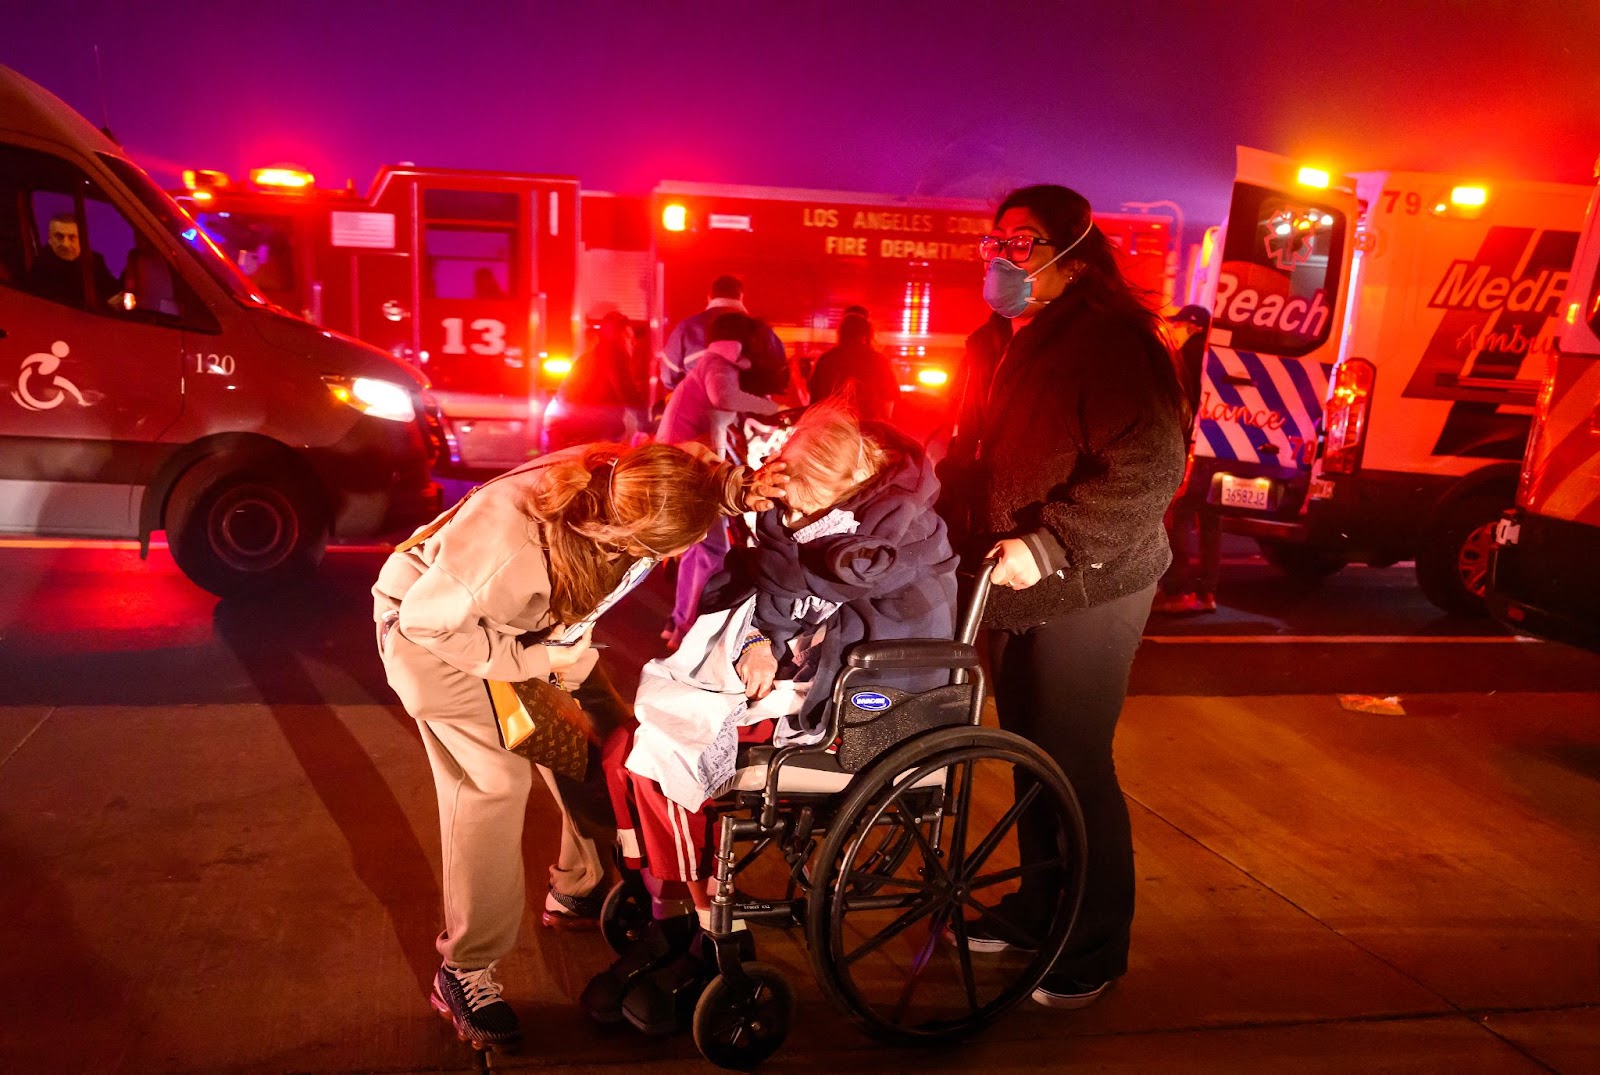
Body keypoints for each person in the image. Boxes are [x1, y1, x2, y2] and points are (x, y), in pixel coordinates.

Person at [372, 442, 784, 1053]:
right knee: (495, 784)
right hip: (439, 639)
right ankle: (463, 969)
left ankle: (580, 885)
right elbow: (428, 624)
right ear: (632, 535)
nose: (675, 559)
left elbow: (693, 465)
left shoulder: (633, 479)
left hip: (532, 630)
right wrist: (536, 662)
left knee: (615, 747)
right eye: (668, 550)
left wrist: (733, 490)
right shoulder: (512, 543)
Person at [582, 401, 958, 1034]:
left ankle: (710, 936)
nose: (793, 512)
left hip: (871, 703)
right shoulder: (817, 522)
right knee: (625, 746)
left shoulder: (895, 534)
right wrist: (757, 635)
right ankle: (669, 917)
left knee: (668, 761)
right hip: (807, 678)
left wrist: (772, 622)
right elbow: (766, 582)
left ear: (847, 487)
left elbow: (808, 581)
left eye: (804, 499)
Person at [936, 184, 1189, 1010]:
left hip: (1091, 581)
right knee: (1030, 754)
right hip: (1010, 581)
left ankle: (1093, 942)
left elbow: (1150, 468)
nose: (1003, 257)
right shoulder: (997, 340)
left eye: (1023, 241)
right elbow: (972, 451)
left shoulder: (1112, 343)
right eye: (997, 240)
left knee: (1075, 759)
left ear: (1073, 253)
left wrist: (1052, 543)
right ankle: (1040, 907)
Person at [656, 311, 785, 650]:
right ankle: (692, 632)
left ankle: (680, 627)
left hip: (682, 464)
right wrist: (774, 411)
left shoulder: (709, 365)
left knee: (696, 550)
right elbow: (723, 398)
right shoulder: (717, 366)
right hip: (688, 469)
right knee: (712, 550)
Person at [1154, 304, 1222, 614]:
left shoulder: (1189, 355)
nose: (1176, 330)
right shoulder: (1217, 357)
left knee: (1179, 513)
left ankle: (1177, 589)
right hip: (1217, 449)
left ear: (1192, 326)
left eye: (1179, 324)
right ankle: (1207, 593)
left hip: (1193, 447)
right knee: (1210, 520)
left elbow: (1180, 402)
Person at [659, 274, 787, 394]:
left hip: (702, 412)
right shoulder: (763, 331)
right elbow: (781, 376)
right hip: (754, 411)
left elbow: (668, 376)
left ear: (709, 297)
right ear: (741, 297)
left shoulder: (687, 328)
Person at [543, 312, 647, 451]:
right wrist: (646, 421)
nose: (632, 342)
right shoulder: (613, 353)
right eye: (629, 336)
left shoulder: (595, 355)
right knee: (606, 452)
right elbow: (626, 390)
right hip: (573, 424)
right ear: (621, 335)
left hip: (561, 421)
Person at [806, 310, 900, 423]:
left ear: (841, 333)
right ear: (866, 334)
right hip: (868, 427)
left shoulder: (826, 359)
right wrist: (884, 421)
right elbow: (889, 397)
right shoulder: (878, 360)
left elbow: (815, 398)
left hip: (832, 426)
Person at [25, 213, 121, 307]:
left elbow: (111, 290)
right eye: (59, 237)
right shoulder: (42, 265)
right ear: (50, 239)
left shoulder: (94, 260)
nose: (65, 244)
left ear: (82, 239)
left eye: (72, 237)